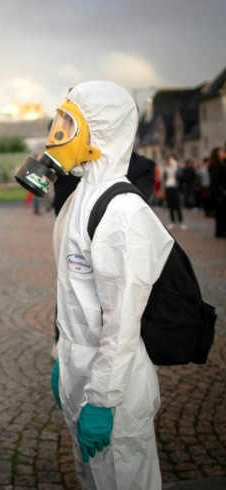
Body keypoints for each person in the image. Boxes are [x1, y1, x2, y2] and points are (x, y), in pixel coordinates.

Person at [51, 81, 171, 489]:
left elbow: (122, 323)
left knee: (124, 479)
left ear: (96, 132)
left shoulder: (123, 212)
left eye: (68, 123)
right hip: (77, 367)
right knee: (92, 480)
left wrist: (101, 400)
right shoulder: (77, 197)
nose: (57, 132)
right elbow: (71, 295)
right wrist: (63, 357)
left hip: (114, 389)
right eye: (60, 120)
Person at [163, 153, 186, 229]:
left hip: (175, 187)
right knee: (171, 205)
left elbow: (180, 176)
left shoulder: (177, 168)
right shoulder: (166, 168)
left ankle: (181, 221)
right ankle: (172, 221)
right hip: (168, 187)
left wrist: (175, 167)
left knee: (178, 204)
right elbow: (164, 178)